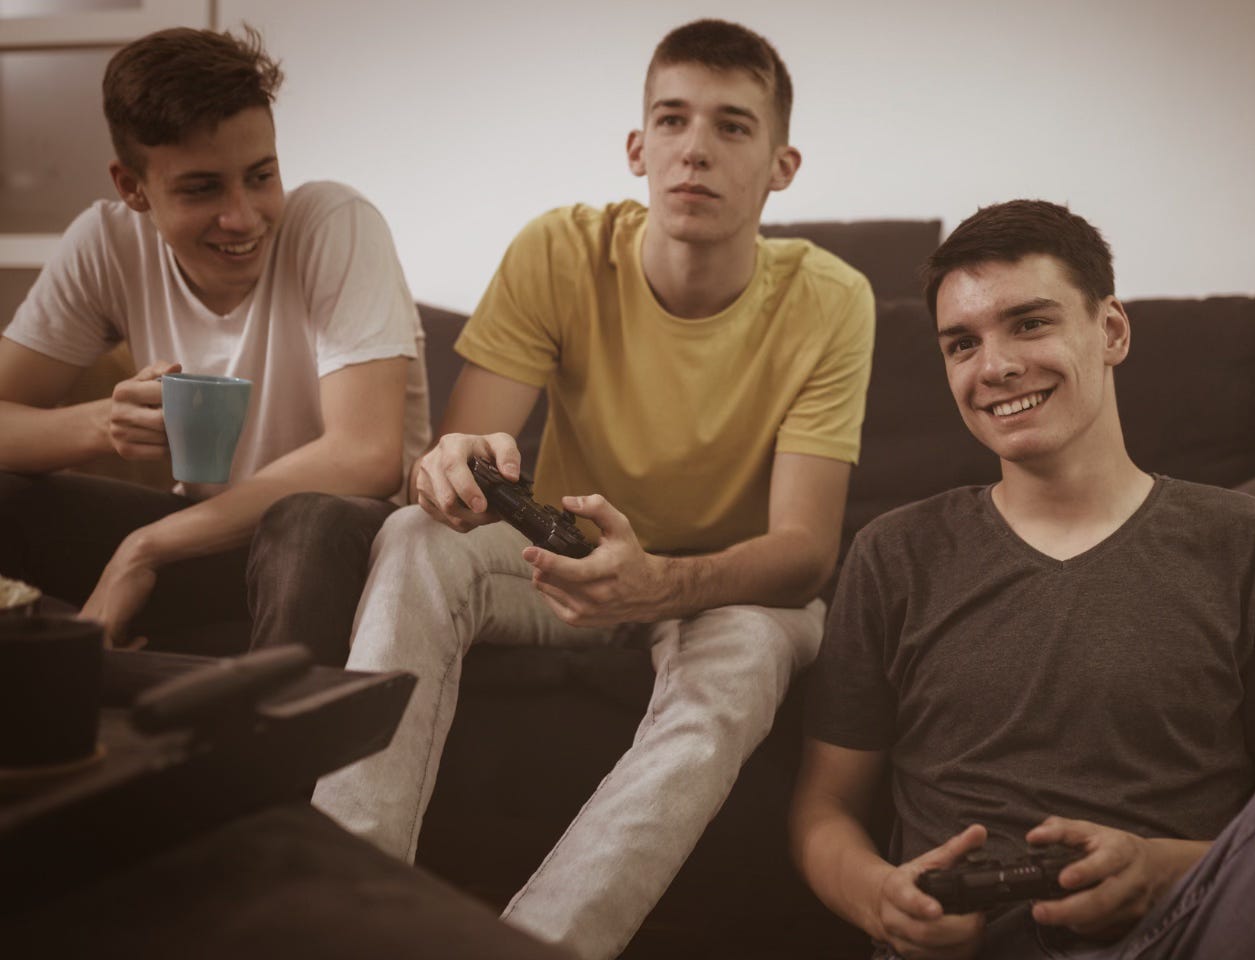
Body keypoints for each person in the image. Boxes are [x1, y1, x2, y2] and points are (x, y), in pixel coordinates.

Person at [310, 18, 874, 960]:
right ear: (637, 148)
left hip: (730, 588)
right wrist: (447, 475)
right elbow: (464, 456)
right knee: (413, 541)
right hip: (562, 558)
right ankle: (340, 926)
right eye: (673, 119)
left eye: (733, 126)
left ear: (783, 164)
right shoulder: (560, 251)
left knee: (746, 656)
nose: (696, 147)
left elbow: (807, 552)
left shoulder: (833, 298)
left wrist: (660, 582)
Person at [787, 199, 1255, 959]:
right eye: (962, 343)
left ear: (1112, 331)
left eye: (1029, 323)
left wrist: (1162, 872)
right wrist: (878, 899)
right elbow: (823, 807)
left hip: (1198, 928)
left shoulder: (1251, 544)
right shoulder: (894, 553)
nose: (993, 366)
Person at [0, 26, 429, 651]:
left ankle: (275, 746)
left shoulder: (335, 223)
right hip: (210, 538)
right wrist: (102, 426)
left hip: (349, 543)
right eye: (202, 188)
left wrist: (142, 549)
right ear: (131, 187)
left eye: (261, 176)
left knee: (304, 520)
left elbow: (365, 457)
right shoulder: (107, 242)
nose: (243, 216)